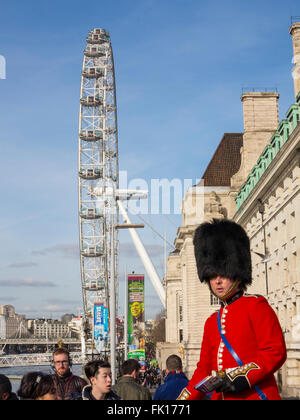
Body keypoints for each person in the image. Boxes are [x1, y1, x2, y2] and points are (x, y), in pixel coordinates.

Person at [177, 218, 287, 401]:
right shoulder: (212, 322)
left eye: (223, 274)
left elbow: (275, 351)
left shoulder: (256, 306)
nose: (217, 281)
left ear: (236, 273)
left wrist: (241, 378)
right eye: (212, 276)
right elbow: (203, 371)